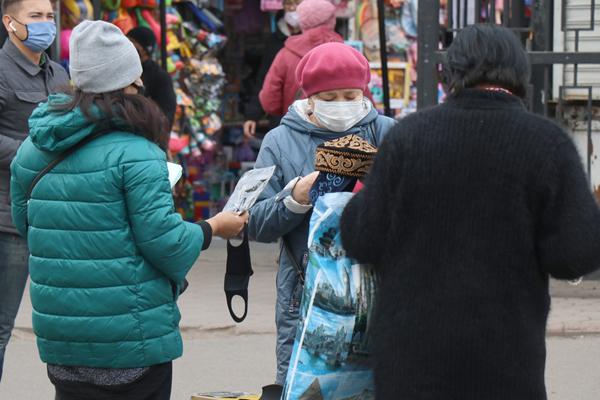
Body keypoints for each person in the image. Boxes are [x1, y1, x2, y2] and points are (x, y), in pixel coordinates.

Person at [339, 23, 600, 400]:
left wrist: (358, 202)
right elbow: (574, 256)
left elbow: (363, 239)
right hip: (504, 359)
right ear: (519, 74)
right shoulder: (547, 145)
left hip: (412, 360)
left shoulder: (408, 138)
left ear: (451, 74)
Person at [10, 20, 248, 399]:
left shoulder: (32, 150)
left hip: (62, 340)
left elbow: (30, 226)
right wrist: (213, 227)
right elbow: (164, 242)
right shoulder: (139, 154)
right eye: (137, 82)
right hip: (130, 340)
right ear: (126, 85)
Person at [248, 42, 396, 387]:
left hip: (378, 288)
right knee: (306, 386)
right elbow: (255, 224)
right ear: (308, 97)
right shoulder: (280, 141)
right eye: (329, 99)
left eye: (350, 95)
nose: (341, 106)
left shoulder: (387, 132)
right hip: (307, 294)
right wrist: (296, 197)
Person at [0, 0, 69, 382]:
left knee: (65, 326)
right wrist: (35, 154)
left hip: (54, 219)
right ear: (10, 23)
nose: (46, 24)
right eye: (35, 17)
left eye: (49, 17)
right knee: (0, 329)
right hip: (8, 220)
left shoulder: (58, 73)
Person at [258, 0, 344, 121]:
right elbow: (364, 100)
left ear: (302, 20)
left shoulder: (285, 54)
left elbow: (269, 102)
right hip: (339, 131)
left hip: (297, 128)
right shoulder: (347, 54)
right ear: (332, 21)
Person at [242, 3, 302, 139]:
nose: (292, 8)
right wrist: (252, 115)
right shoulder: (275, 41)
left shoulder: (317, 40)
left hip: (310, 117)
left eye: (297, 3)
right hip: (280, 118)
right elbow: (264, 80)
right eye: (288, 3)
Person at [127, 26, 177, 127]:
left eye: (131, 41)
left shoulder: (160, 77)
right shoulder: (121, 68)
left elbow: (166, 116)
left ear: (145, 50)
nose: (126, 45)